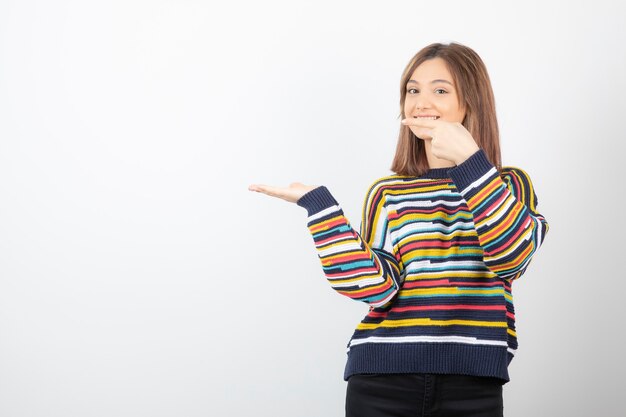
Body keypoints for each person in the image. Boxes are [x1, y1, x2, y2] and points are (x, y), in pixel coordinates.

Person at [248, 42, 549, 417]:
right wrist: (320, 207)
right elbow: (378, 288)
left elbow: (512, 258)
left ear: (469, 103)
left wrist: (471, 163)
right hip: (380, 380)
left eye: (440, 90)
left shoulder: (507, 184)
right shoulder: (387, 192)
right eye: (413, 90)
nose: (421, 102)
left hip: (473, 384)